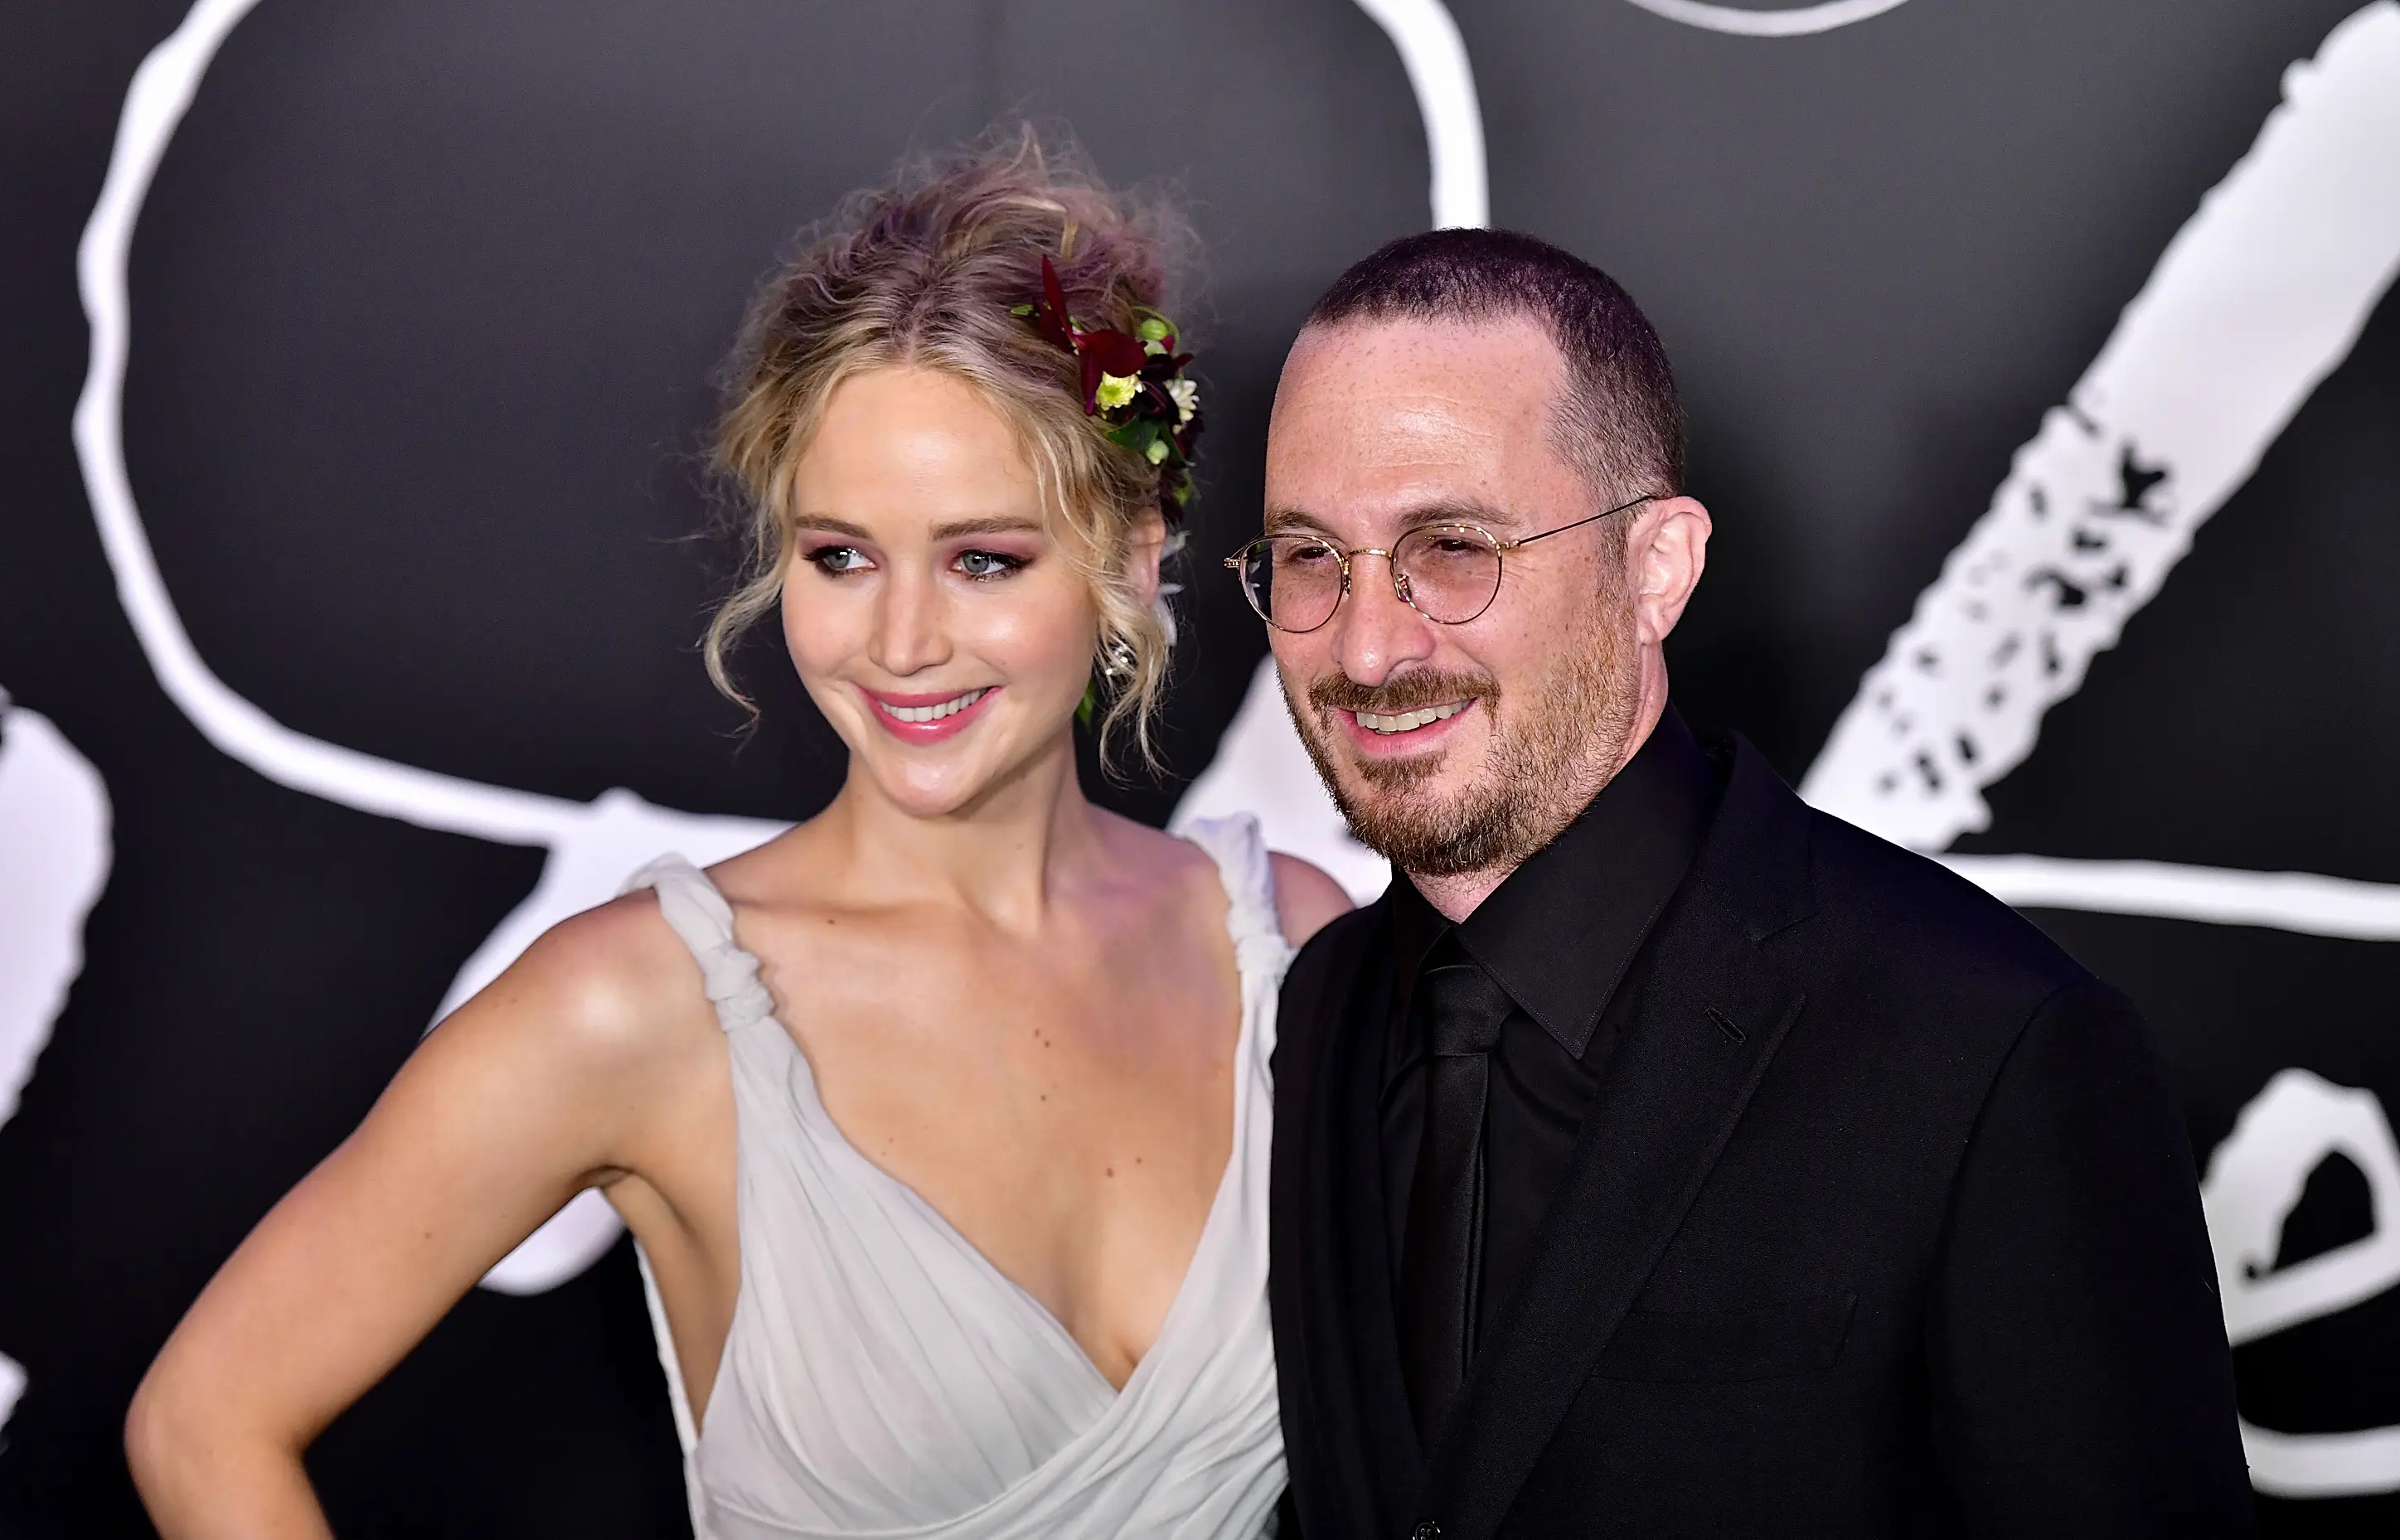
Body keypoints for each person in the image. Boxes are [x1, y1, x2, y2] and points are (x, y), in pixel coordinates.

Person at [124, 136, 1350, 1540]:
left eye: (983, 559)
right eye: (840, 555)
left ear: (1134, 552)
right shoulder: (641, 1002)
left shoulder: (1289, 945)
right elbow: (204, 1418)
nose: (898, 641)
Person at [1246, 229, 2254, 1538]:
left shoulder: (1990, 1053)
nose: (1370, 646)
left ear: (1655, 568)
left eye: (1453, 546)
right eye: (1311, 557)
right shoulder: (1321, 1007)